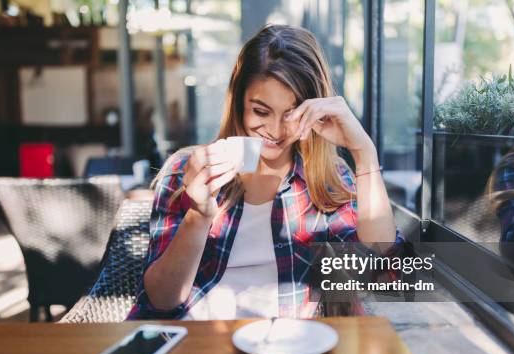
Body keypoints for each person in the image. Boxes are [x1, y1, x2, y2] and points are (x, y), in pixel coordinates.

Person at [127, 24, 402, 320]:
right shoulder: (187, 171)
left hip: (283, 349)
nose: (274, 131)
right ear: (239, 103)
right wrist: (199, 215)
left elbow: (385, 271)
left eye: (291, 114)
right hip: (194, 343)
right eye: (260, 111)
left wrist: (364, 152)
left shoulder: (326, 180)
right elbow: (162, 299)